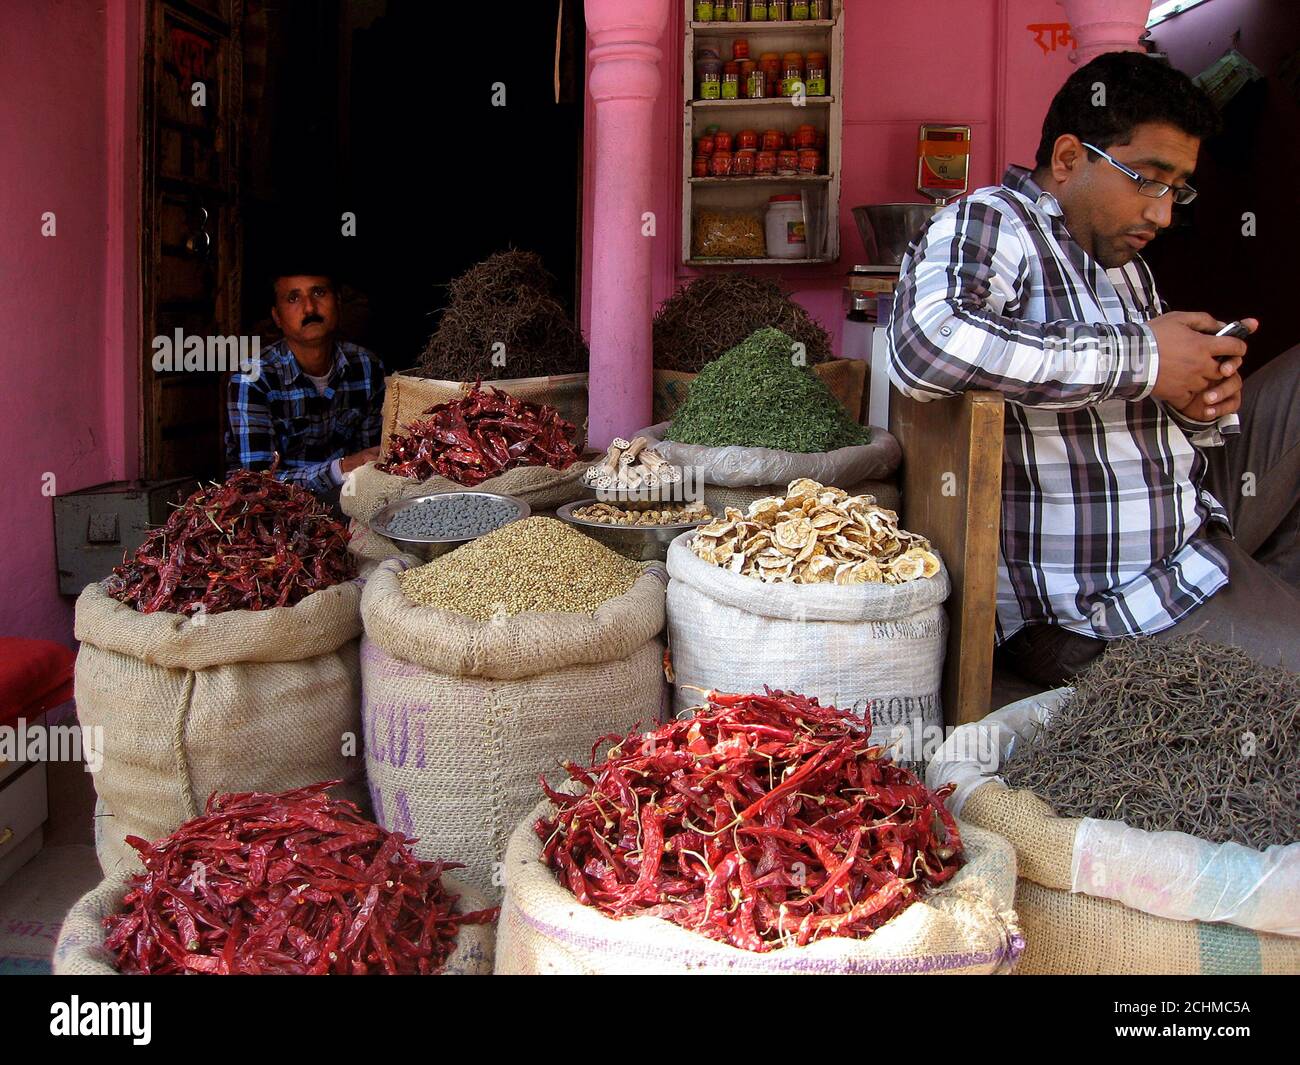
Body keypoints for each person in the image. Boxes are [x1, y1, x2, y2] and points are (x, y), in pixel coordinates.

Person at [889, 51, 1300, 685]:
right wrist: (1148, 358)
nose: (1162, 213)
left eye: (1177, 189)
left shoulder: (1125, 266)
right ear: (1068, 159)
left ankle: (1262, 596)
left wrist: (1198, 400)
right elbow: (928, 347)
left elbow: (1146, 393)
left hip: (1190, 528)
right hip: (1103, 608)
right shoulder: (995, 221)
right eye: (1147, 179)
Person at [226, 266, 385, 505]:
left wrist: (353, 469)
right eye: (293, 298)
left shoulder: (366, 366)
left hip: (349, 497)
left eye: (319, 293)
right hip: (271, 510)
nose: (309, 308)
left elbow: (372, 458)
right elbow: (257, 484)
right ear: (277, 317)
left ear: (338, 302)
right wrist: (338, 469)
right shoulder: (253, 379)